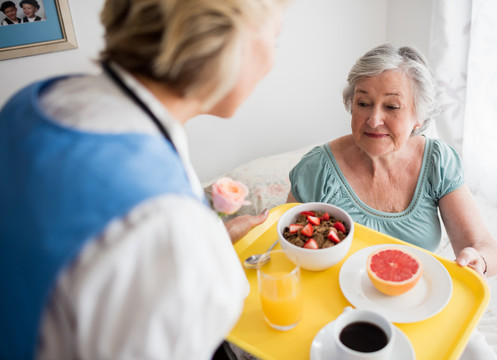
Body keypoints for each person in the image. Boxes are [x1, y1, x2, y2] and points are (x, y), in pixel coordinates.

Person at [0, 0, 291, 359]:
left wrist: (210, 240)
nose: (273, 59)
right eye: (275, 36)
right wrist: (189, 245)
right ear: (226, 42)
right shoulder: (164, 222)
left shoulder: (38, 100)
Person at [287, 44, 497, 278]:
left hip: (415, 296)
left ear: (418, 117)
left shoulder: (438, 162)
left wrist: (478, 259)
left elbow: (486, 248)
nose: (373, 120)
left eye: (391, 106)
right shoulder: (316, 169)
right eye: (363, 103)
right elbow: (285, 245)